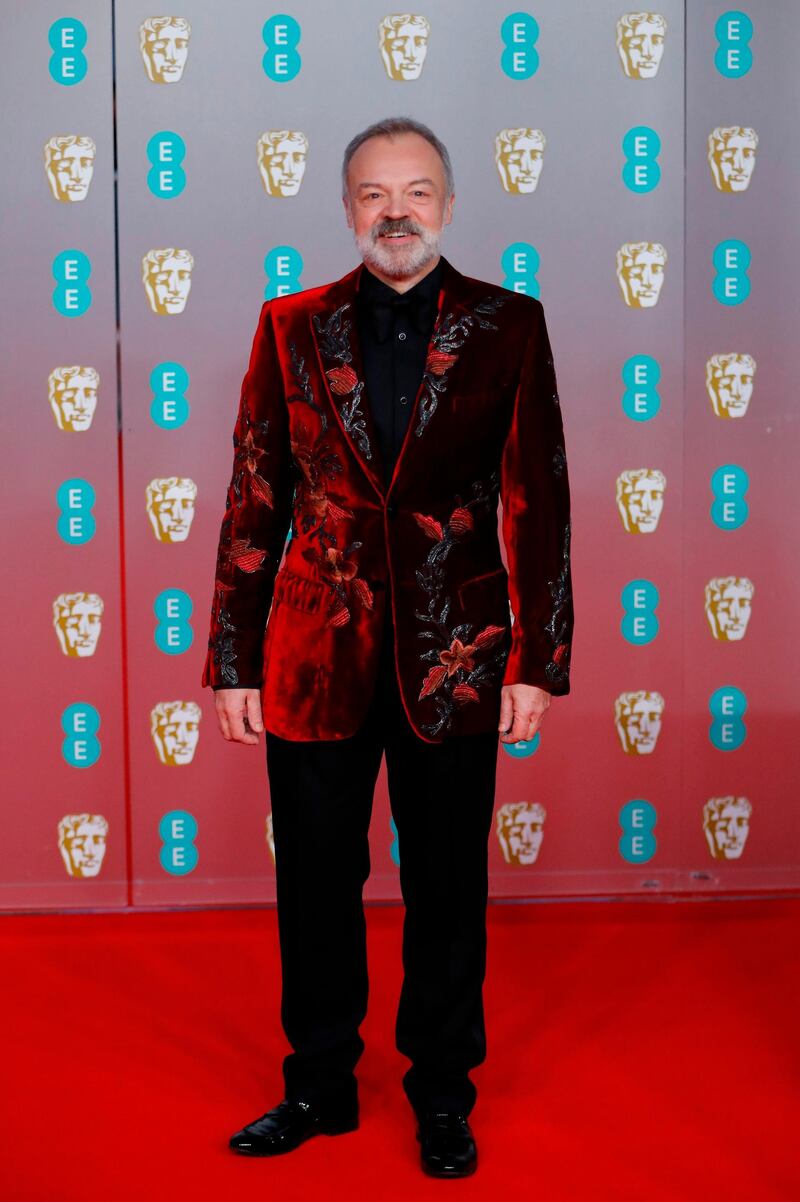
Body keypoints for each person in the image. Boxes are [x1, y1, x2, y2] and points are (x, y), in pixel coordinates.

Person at [202, 116, 574, 1177]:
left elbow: (534, 499)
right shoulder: (290, 326)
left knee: (447, 886)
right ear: (347, 208)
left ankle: (441, 1093)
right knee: (314, 880)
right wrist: (232, 659)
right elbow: (253, 497)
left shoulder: (509, 326)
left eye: (415, 191)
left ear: (448, 205)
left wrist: (536, 661)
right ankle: (316, 1084)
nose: (395, 211)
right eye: (374, 193)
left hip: (455, 656)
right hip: (310, 653)